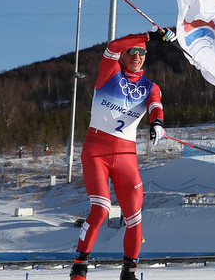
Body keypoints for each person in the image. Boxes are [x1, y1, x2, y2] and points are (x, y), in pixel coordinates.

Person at [69, 28, 175, 280]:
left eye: (141, 53)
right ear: (124, 55)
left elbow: (155, 105)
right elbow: (114, 45)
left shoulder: (151, 87)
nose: (137, 55)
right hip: (97, 150)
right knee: (102, 207)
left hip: (126, 155)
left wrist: (157, 123)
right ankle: (80, 264)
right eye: (132, 51)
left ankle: (129, 270)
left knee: (135, 215)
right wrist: (149, 36)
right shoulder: (110, 72)